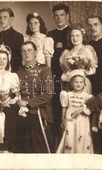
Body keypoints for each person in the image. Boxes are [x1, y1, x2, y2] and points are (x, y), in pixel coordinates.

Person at [0, 41, 54, 153]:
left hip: (38, 110)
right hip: (22, 109)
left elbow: (48, 94)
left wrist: (28, 103)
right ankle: (9, 143)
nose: (26, 53)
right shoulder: (19, 72)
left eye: (29, 50)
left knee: (16, 120)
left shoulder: (44, 70)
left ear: (36, 52)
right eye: (23, 51)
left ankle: (13, 145)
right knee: (8, 109)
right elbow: (14, 92)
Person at [46, 3, 70, 150]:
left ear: (67, 16)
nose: (59, 18)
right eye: (56, 15)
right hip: (55, 78)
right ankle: (56, 144)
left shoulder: (73, 32)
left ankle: (69, 142)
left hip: (70, 80)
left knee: (68, 109)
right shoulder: (50, 34)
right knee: (55, 108)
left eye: (62, 15)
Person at [56, 69, 93, 153]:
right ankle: (70, 154)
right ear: (71, 84)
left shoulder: (87, 96)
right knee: (70, 136)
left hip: (82, 118)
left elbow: (90, 108)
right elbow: (64, 107)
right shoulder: (67, 95)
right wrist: (63, 119)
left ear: (84, 84)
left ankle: (81, 153)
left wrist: (81, 110)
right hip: (70, 118)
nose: (78, 84)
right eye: (76, 82)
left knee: (81, 135)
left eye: (81, 82)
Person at [59, 23, 98, 94]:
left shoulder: (87, 49)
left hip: (83, 84)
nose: (75, 38)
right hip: (70, 85)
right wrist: (67, 75)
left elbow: (93, 69)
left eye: (77, 35)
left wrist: (81, 73)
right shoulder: (66, 53)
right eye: (72, 36)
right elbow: (65, 72)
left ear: (82, 36)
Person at [0, 7, 24, 73]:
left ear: (11, 19)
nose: (2, 20)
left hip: (13, 71)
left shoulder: (18, 36)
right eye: (0, 17)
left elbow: (19, 58)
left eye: (5, 17)